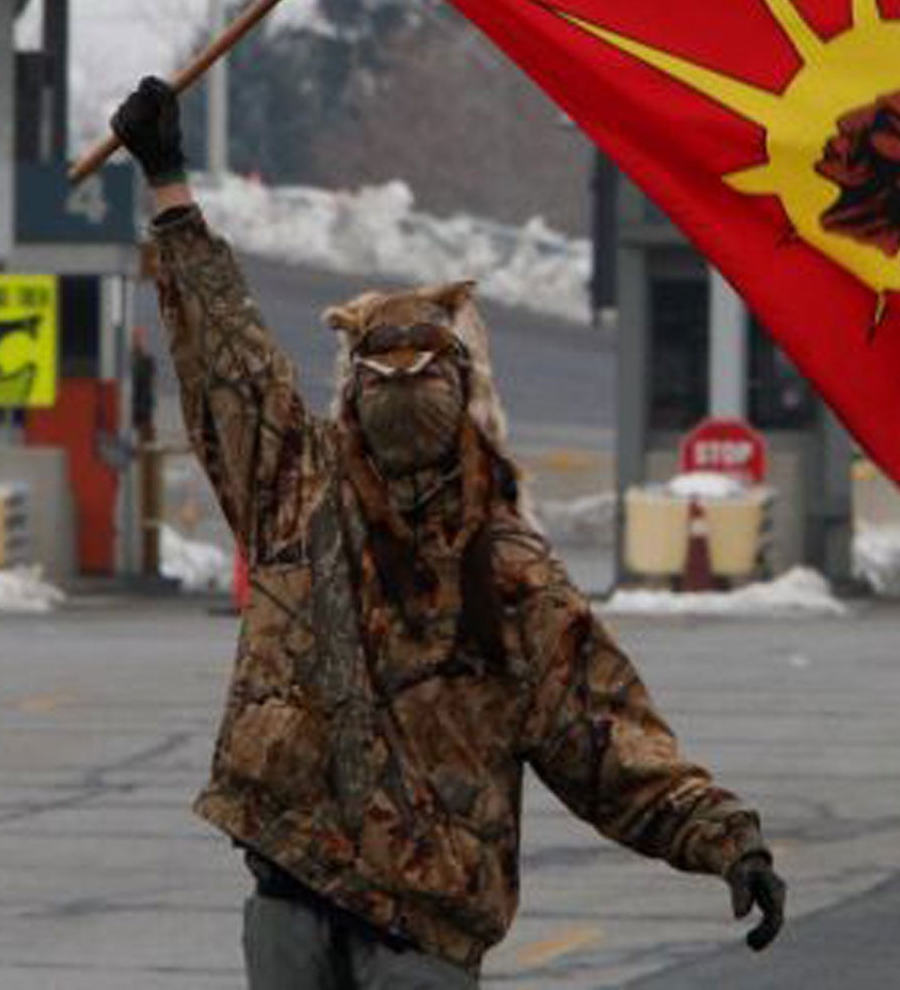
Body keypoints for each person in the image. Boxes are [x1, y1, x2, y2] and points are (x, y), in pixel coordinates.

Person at [111, 77, 786, 989]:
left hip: (410, 930)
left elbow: (604, 739)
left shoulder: (495, 569)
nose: (399, 382)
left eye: (419, 367)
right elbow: (227, 360)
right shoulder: (304, 494)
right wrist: (170, 192)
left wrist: (723, 836)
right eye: (381, 368)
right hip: (303, 894)